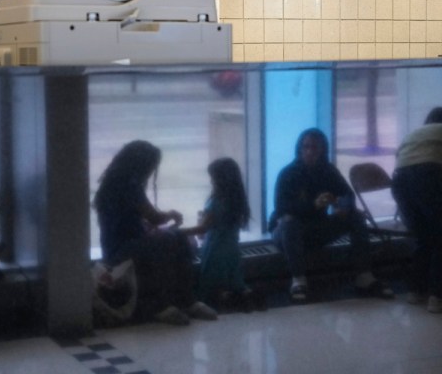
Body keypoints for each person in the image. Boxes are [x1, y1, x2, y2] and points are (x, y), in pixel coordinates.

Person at [94, 140, 217, 325]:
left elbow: (130, 220)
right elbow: (155, 218)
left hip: (116, 248)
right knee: (174, 240)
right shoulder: (130, 185)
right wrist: (171, 215)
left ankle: (177, 303)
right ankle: (176, 302)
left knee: (172, 239)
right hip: (124, 249)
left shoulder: (112, 183)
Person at [270, 128, 393, 303]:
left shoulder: (328, 171)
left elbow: (347, 194)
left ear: (322, 150)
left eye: (315, 148)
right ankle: (298, 280)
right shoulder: (288, 173)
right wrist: (313, 205)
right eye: (306, 147)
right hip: (287, 232)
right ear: (299, 149)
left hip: (317, 227)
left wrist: (341, 206)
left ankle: (364, 276)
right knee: (290, 223)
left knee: (356, 217)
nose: (310, 152)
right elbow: (281, 208)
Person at [185, 158, 254, 311]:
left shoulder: (215, 202)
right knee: (235, 280)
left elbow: (202, 229)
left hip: (215, 250)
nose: (211, 181)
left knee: (215, 286)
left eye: (212, 178)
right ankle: (246, 297)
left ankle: (223, 302)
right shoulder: (237, 201)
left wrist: (178, 232)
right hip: (232, 249)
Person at [391, 107, 442, 312]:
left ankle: (415, 291)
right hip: (429, 175)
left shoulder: (414, 134)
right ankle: (437, 296)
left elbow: (399, 159)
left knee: (424, 236)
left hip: (400, 181)